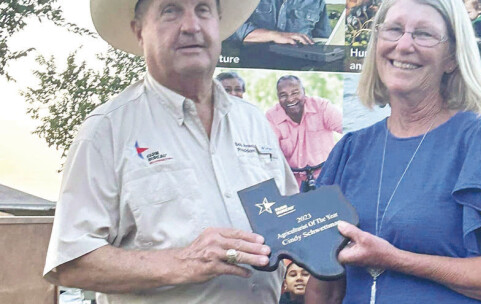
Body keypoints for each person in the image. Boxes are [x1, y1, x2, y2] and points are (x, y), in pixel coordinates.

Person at [43, 0, 298, 303]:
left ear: (218, 23)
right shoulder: (106, 130)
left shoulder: (254, 120)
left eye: (203, 9)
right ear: (139, 31)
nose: (191, 25)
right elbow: (70, 262)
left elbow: (291, 220)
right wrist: (182, 261)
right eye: (171, 10)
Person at [305, 0, 481, 303]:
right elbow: (326, 285)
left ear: (452, 58)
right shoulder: (349, 150)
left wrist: (398, 259)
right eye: (393, 30)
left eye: (424, 34)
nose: (403, 45)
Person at [265, 75, 342, 188]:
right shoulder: (271, 117)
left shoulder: (322, 107)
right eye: (283, 95)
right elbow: (268, 154)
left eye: (295, 93)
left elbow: (350, 130)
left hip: (326, 177)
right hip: (291, 183)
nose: (290, 99)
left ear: (304, 92)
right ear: (278, 97)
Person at [227, 0, 332, 45]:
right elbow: (232, 30)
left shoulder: (316, 1)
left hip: (301, 65)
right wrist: (273, 35)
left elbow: (323, 37)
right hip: (254, 61)